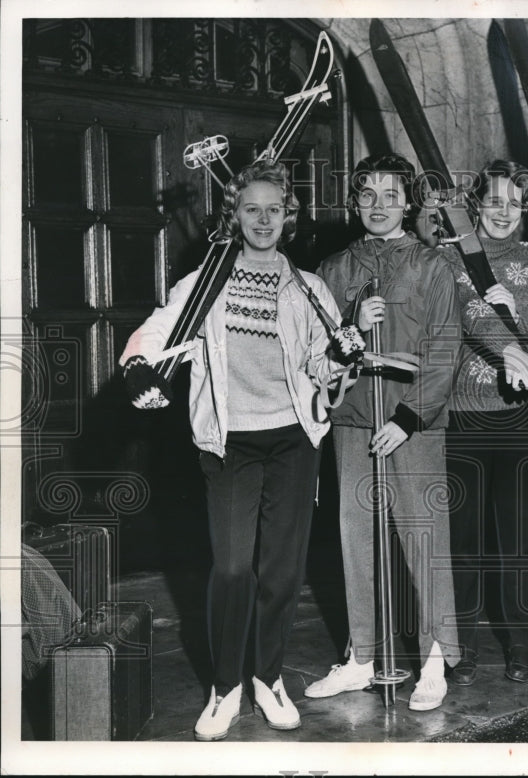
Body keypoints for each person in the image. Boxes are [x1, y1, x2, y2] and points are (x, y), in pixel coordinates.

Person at [119, 160, 360, 741]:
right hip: (229, 441)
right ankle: (225, 686)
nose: (263, 219)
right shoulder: (207, 281)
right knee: (231, 568)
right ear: (234, 215)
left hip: (293, 439)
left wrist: (343, 354)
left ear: (287, 216)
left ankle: (267, 677)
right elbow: (160, 326)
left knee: (281, 570)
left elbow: (318, 363)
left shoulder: (308, 286)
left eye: (274, 209)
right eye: (250, 208)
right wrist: (136, 366)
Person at [305, 153, 462, 712]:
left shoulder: (433, 267)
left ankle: (435, 659)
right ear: (354, 201)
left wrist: (406, 418)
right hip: (352, 419)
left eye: (391, 195)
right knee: (355, 540)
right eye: (367, 194)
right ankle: (362, 658)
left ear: (409, 203)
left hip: (411, 422)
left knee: (421, 536)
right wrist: (350, 326)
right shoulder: (331, 269)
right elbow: (316, 351)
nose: (378, 205)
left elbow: (444, 351)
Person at [440, 160, 528, 685]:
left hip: (522, 413)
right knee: (463, 537)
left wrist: (521, 314)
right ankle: (459, 646)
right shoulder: (451, 256)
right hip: (464, 411)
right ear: (476, 205)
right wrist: (508, 342)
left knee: (519, 536)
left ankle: (521, 644)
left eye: (514, 202)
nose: (503, 211)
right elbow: (467, 311)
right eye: (493, 200)